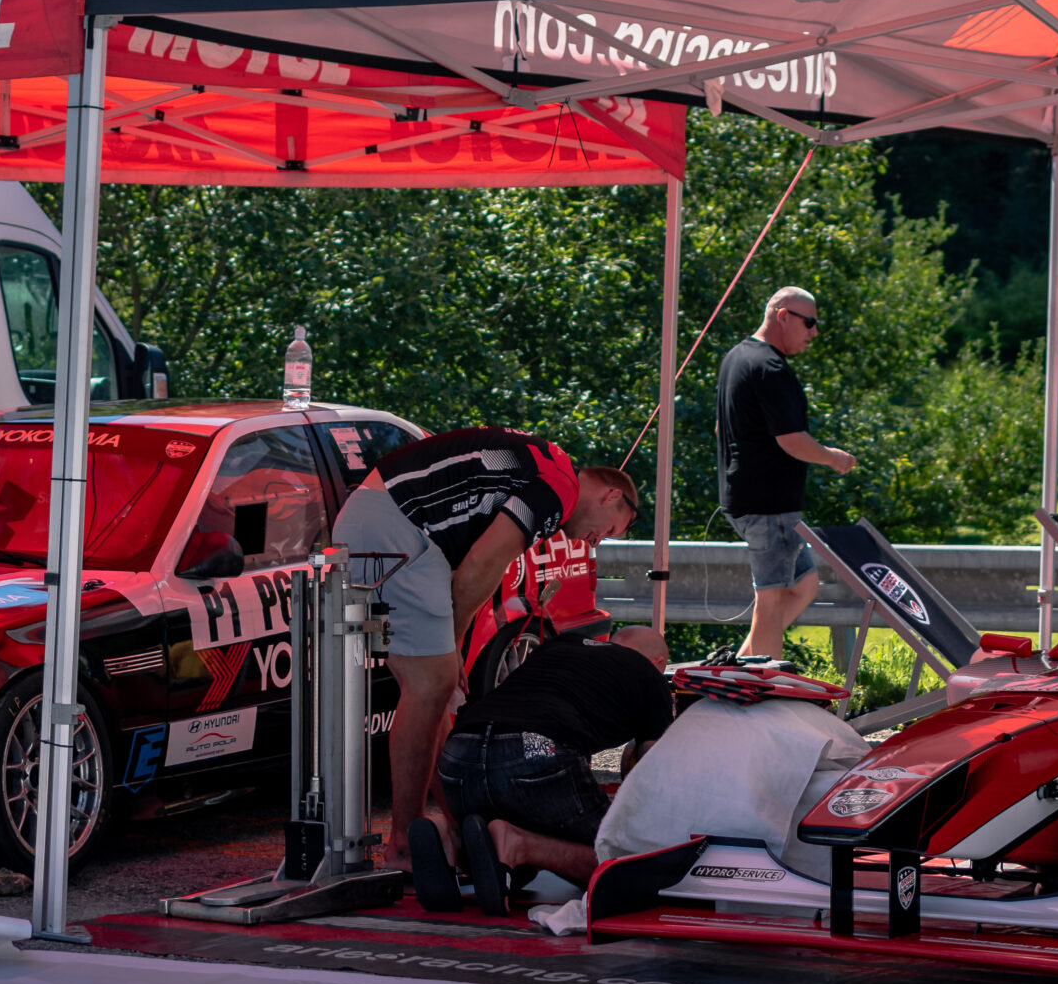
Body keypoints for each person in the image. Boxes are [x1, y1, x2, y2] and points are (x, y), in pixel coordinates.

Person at [330, 425, 639, 870]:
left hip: (392, 517)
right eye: (607, 531)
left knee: (439, 693)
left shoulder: (548, 468)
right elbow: (482, 563)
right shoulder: (560, 486)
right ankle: (404, 841)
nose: (593, 542)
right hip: (396, 521)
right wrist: (455, 642)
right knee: (431, 686)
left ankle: (455, 827)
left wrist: (454, 643)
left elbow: (484, 567)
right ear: (611, 495)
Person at [416, 625, 674, 913]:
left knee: (506, 860)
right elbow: (655, 765)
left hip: (461, 749)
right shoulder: (650, 676)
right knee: (621, 867)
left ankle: (450, 837)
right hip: (535, 748)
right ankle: (520, 844)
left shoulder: (561, 645)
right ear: (659, 662)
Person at [716, 287, 855, 663]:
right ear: (783, 316)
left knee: (805, 585)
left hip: (757, 502)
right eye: (809, 322)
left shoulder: (738, 357)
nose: (814, 332)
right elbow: (792, 440)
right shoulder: (770, 369)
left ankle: (737, 669)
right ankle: (762, 685)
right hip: (768, 506)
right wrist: (832, 458)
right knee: (772, 598)